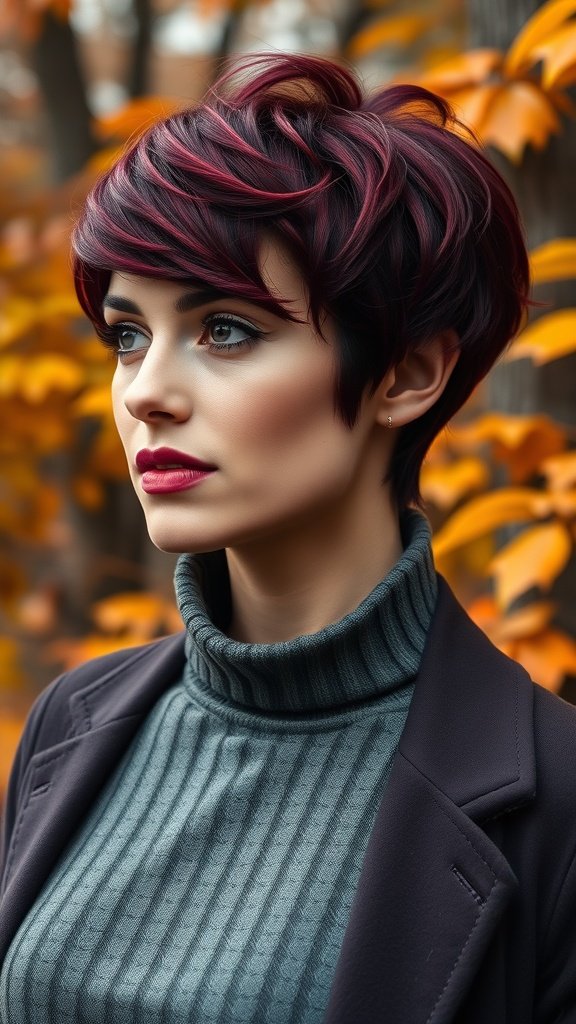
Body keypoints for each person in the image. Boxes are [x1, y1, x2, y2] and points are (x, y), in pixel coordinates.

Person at [1, 51, 575, 1024]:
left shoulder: (555, 807)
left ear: (406, 374)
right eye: (128, 334)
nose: (145, 391)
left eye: (224, 330)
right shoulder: (73, 724)